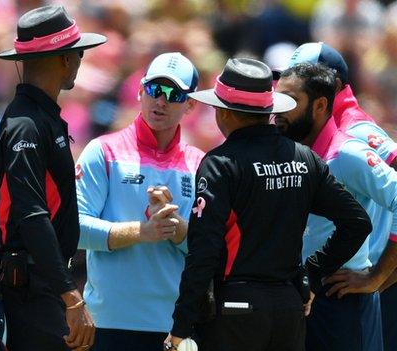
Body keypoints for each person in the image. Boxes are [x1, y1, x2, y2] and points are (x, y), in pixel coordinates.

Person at [167, 58, 372, 351]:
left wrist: (180, 327)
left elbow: (204, 250)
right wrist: (309, 275)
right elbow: (357, 223)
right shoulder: (305, 158)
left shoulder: (219, 164)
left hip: (235, 314)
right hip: (289, 310)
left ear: (225, 112)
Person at [0, 5, 106, 351]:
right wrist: (71, 297)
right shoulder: (26, 122)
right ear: (64, 59)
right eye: (79, 53)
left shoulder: (40, 117)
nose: (81, 61)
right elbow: (32, 213)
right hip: (29, 289)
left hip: (40, 284)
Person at [75, 52, 203, 350]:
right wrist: (142, 232)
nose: (161, 100)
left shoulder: (200, 164)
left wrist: (179, 230)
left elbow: (212, 247)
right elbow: (74, 228)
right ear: (140, 91)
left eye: (173, 94)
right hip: (107, 323)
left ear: (191, 105)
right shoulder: (102, 151)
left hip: (173, 325)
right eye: (154, 90)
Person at [275, 62, 397, 351]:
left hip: (342, 300)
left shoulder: (346, 153)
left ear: (319, 105)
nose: (278, 110)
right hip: (303, 297)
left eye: (290, 100)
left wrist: (377, 276)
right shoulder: (291, 153)